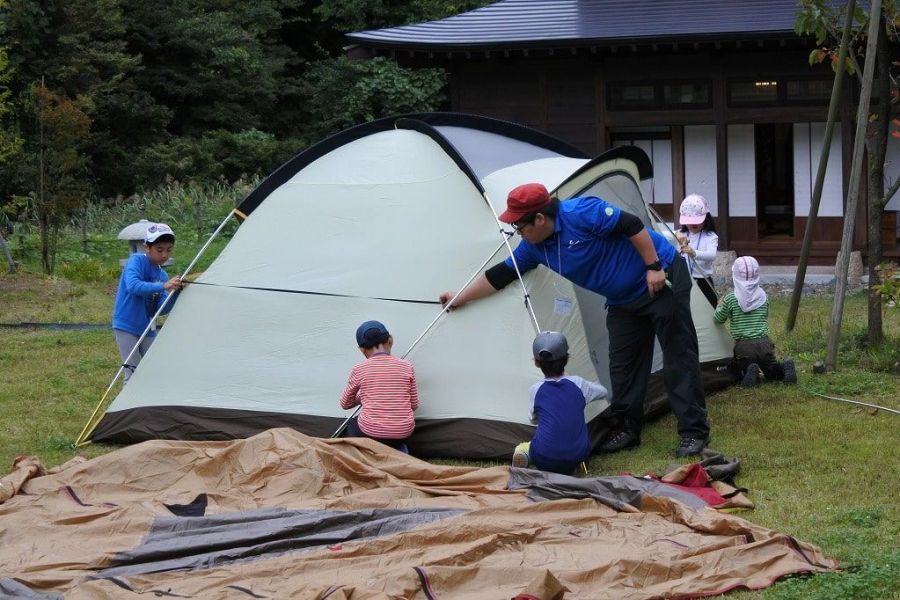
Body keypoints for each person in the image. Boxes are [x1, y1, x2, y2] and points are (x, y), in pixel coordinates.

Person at [439, 183, 711, 458]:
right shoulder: (534, 248)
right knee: (623, 366)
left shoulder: (581, 212)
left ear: (540, 219)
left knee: (678, 356)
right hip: (622, 301)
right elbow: (502, 274)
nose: (517, 233)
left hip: (660, 278)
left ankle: (693, 431)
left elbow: (631, 224)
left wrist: (652, 266)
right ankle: (628, 429)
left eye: (520, 227)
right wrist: (460, 297)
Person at [512, 331, 608, 474]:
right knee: (577, 438)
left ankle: (524, 455)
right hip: (578, 453)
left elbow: (532, 420)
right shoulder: (579, 384)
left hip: (544, 457)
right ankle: (575, 464)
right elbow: (603, 392)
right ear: (567, 358)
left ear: (536, 363)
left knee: (525, 447)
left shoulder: (536, 389)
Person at [112, 222, 182, 382]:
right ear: (147, 248)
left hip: (147, 328)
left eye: (169, 250)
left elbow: (160, 309)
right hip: (126, 325)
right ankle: (128, 407)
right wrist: (163, 286)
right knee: (132, 373)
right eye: (159, 250)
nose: (164, 255)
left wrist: (174, 293)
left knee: (153, 370)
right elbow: (133, 286)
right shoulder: (136, 261)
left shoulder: (163, 275)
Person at [714, 256, 797, 386]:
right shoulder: (763, 295)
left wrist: (720, 305)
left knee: (741, 368)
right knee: (772, 373)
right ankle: (784, 367)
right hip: (765, 343)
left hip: (744, 346)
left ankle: (750, 371)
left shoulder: (730, 298)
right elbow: (764, 315)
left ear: (735, 276)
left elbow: (718, 319)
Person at [339, 320, 419, 451]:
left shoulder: (359, 369)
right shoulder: (406, 366)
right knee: (395, 437)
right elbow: (414, 405)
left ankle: (367, 453)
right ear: (390, 340)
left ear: (361, 350)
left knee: (352, 425)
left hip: (371, 433)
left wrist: (361, 397)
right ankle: (400, 450)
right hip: (403, 432)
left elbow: (345, 404)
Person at [675, 193, 719, 307]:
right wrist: (676, 234)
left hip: (704, 280)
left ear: (706, 218)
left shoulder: (710, 236)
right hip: (685, 279)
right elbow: (660, 233)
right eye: (690, 220)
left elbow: (711, 255)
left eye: (697, 220)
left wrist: (693, 253)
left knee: (709, 308)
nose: (693, 223)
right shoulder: (681, 234)